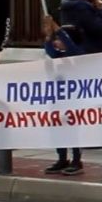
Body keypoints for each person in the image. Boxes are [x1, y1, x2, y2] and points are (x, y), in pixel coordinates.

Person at [42, 20, 85, 175]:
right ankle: (62, 158)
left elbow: (72, 48)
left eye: (59, 39)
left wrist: (59, 30)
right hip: (58, 100)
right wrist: (48, 36)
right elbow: (50, 51)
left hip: (72, 101)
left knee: (72, 131)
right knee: (58, 130)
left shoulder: (77, 55)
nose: (56, 42)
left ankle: (76, 159)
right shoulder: (58, 56)